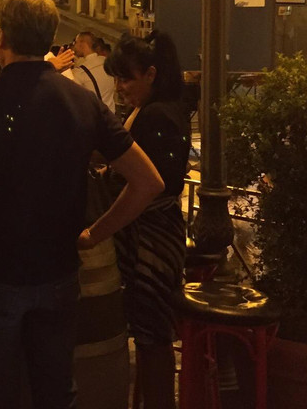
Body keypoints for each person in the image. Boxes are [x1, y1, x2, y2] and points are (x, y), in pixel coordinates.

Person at [0, 0, 164, 409]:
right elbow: (147, 182)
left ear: (3, 39)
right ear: (49, 38)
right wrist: (94, 234)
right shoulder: (82, 102)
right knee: (55, 392)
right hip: (57, 271)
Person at [104, 32, 192, 409]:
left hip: (152, 241)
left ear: (151, 74)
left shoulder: (157, 115)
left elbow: (147, 185)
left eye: (127, 78)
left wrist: (96, 231)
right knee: (148, 335)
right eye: (117, 78)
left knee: (152, 338)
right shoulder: (157, 107)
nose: (120, 87)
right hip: (153, 233)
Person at [70, 30, 116, 111]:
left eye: (75, 42)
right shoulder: (107, 63)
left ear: (82, 44)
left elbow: (73, 98)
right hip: (110, 114)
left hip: (94, 116)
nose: (74, 46)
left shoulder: (80, 72)